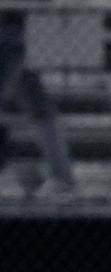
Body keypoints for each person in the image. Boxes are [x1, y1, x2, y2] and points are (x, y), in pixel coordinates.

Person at [0, 10, 75, 195]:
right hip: (19, 27)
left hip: (14, 29)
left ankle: (56, 175)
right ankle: (59, 174)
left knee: (36, 103)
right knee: (37, 103)